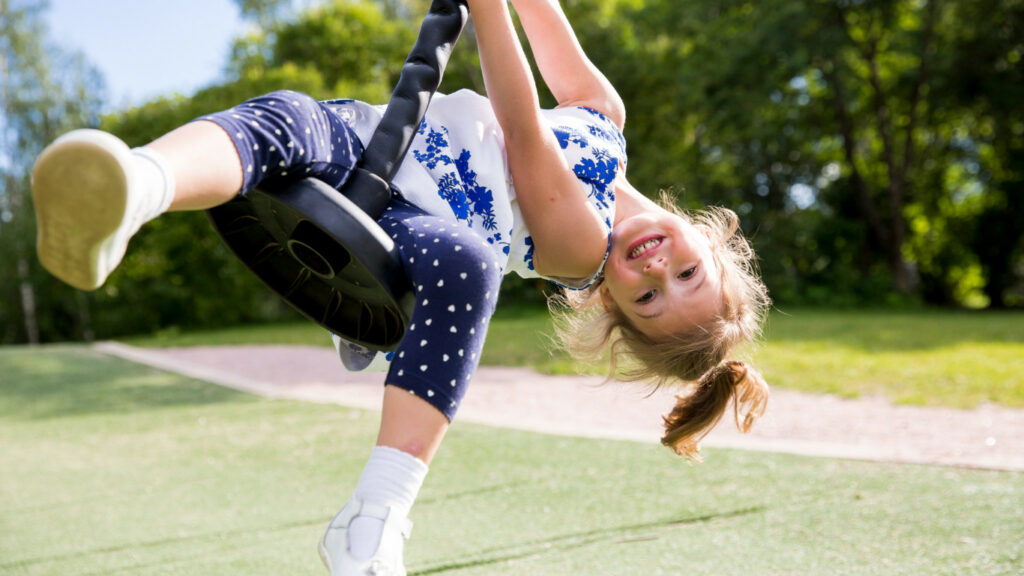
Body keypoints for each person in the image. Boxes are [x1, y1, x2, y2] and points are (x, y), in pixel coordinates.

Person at [30, 0, 770, 574]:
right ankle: (133, 188)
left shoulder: (581, 253)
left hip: (411, 227)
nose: (654, 271)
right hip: (378, 136)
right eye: (685, 274)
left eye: (648, 300)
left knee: (471, 267)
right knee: (285, 119)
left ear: (610, 304)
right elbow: (545, 25)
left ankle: (373, 516)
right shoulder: (607, 117)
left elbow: (522, 132)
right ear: (711, 238)